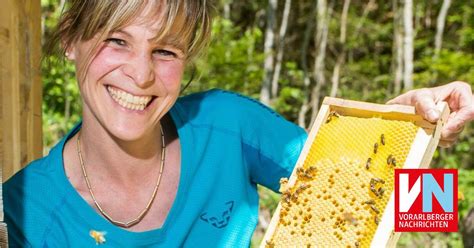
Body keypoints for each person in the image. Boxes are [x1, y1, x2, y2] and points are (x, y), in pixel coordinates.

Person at [3, 0, 473, 247]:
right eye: (117, 40)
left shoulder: (228, 123)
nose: (142, 74)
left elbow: (416, 215)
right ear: (70, 40)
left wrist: (410, 133)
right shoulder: (24, 205)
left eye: (165, 50)